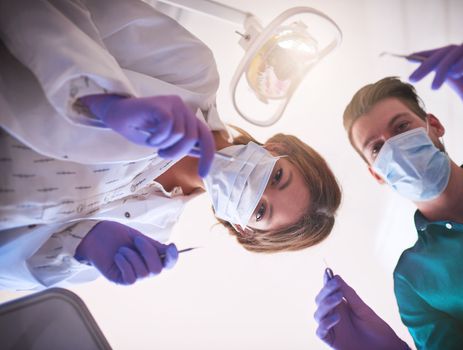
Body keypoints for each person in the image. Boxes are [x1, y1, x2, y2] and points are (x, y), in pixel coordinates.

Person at [0, 0, 341, 290]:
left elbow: (10, 272)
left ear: (243, 230)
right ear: (276, 145)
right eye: (278, 176)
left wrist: (79, 245)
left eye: (260, 211)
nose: (256, 188)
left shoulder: (147, 233)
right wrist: (101, 97)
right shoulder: (191, 73)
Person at [314, 43, 463, 350]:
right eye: (377, 148)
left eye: (402, 126)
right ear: (377, 174)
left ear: (433, 125)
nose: (395, 147)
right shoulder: (412, 280)